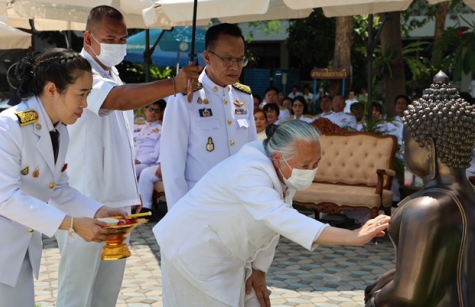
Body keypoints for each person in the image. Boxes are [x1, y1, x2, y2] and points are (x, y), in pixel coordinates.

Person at [55, 6, 201, 307]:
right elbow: (116, 100)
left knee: (107, 289)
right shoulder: (79, 72)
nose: (118, 45)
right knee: (77, 289)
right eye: (110, 37)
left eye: (122, 38)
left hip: (117, 201)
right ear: (88, 38)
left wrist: (130, 193)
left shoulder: (114, 73)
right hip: (84, 199)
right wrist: (173, 84)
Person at [154, 120, 390, 307]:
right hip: (193, 252)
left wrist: (259, 270)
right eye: (305, 165)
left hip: (232, 253)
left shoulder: (283, 166)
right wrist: (351, 236)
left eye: (316, 163)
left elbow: (273, 222)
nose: (311, 171)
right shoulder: (249, 170)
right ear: (278, 158)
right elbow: (278, 217)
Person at [0, 48, 128, 306]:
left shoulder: (59, 130)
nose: (85, 104)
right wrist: (71, 224)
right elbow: (5, 198)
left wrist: (98, 210)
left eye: (88, 95)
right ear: (52, 90)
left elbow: (56, 188)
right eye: (81, 94)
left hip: (18, 250)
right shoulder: (8, 126)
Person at [365, 71, 475, 307]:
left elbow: (408, 294)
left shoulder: (426, 208)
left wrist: (374, 299)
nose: (403, 152)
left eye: (407, 144)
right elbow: (449, 264)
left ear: (430, 149)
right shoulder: (469, 195)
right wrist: (397, 274)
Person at [160, 23, 257, 210]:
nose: (235, 67)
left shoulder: (244, 97)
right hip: (201, 204)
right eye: (228, 59)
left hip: (238, 203)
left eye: (240, 60)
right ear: (207, 57)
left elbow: (251, 153)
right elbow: (172, 165)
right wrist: (179, 215)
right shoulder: (184, 98)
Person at [134, 100, 166, 177]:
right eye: (151, 109)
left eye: (157, 110)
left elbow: (156, 154)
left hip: (146, 163)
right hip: (132, 160)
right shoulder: (135, 126)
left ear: (161, 113)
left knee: (130, 171)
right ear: (145, 110)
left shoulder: (162, 130)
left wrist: (139, 160)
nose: (153, 112)